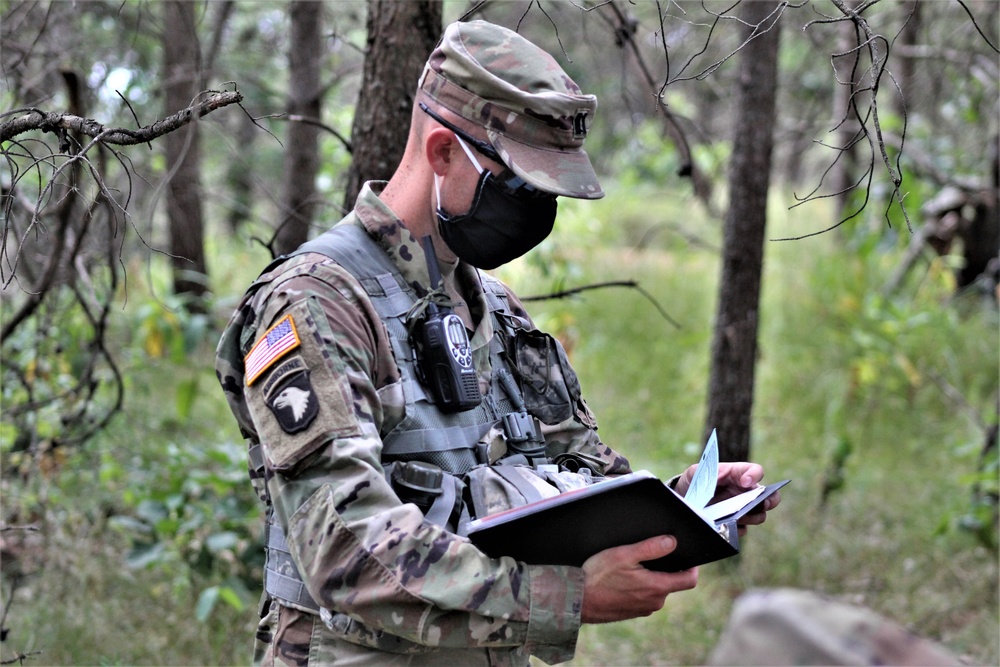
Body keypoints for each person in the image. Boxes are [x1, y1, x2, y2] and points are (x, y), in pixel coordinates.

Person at [216, 19, 781, 667]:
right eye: (519, 186)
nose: (536, 210)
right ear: (441, 153)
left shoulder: (496, 311)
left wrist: (685, 503)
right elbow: (343, 550)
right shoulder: (317, 302)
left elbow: (582, 476)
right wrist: (560, 598)